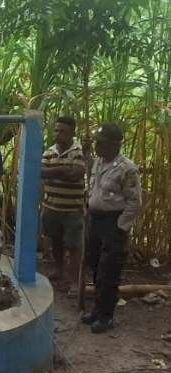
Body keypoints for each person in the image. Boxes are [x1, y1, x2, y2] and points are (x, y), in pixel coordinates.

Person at [81, 123, 142, 333]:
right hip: (95, 220)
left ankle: (107, 316)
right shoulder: (97, 162)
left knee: (109, 272)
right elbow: (93, 190)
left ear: (114, 145)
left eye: (101, 143)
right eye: (96, 142)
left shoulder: (126, 168)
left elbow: (134, 201)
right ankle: (97, 310)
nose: (97, 146)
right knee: (97, 268)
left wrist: (121, 226)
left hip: (113, 224)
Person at [41, 116, 87, 296]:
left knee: (74, 247)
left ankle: (74, 282)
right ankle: (59, 271)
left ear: (72, 133)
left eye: (62, 131)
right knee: (56, 242)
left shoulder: (79, 151)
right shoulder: (49, 152)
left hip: (72, 209)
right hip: (51, 206)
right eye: (56, 130)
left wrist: (54, 171)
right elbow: (41, 172)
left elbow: (76, 174)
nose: (58, 134)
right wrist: (62, 170)